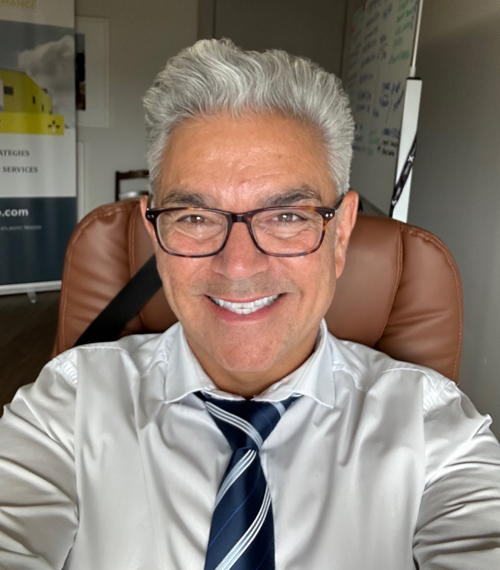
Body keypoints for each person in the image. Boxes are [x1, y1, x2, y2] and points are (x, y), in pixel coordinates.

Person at [1, 39, 499, 570]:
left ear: (342, 233)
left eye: (287, 217)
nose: (238, 267)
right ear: (154, 229)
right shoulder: (69, 403)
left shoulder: (433, 426)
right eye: (194, 217)